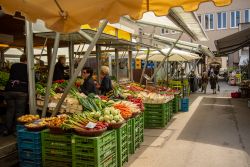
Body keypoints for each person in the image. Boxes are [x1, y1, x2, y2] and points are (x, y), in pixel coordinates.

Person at [4, 54, 28, 136]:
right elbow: (33, 79)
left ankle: (7, 130)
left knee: (10, 110)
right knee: (19, 112)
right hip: (21, 91)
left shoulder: (14, 65)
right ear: (27, 60)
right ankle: (16, 131)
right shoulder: (28, 67)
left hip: (9, 90)